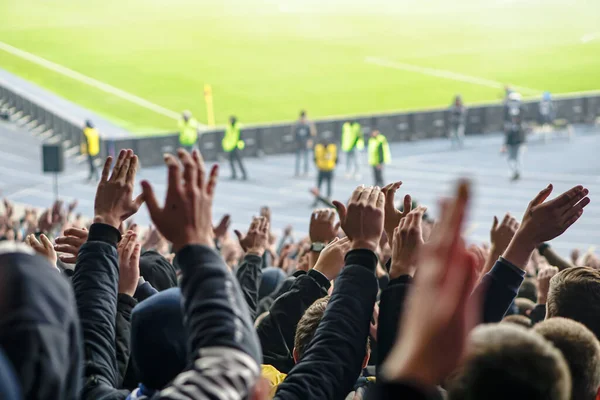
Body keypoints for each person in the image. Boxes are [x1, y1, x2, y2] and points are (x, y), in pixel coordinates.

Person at [312, 139, 337, 207]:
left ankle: (328, 198)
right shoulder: (318, 149)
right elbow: (315, 158)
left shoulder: (332, 148)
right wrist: (318, 165)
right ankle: (316, 199)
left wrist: (333, 165)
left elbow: (335, 158)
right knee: (319, 185)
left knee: (328, 185)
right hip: (321, 169)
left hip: (329, 169)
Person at [222, 115, 247, 180]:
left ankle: (244, 174)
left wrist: (240, 146)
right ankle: (234, 174)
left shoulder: (238, 127)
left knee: (239, 161)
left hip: (236, 146)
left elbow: (241, 137)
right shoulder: (228, 128)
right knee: (231, 161)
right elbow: (227, 137)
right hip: (230, 146)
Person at [292, 110, 316, 177]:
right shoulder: (297, 124)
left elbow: (312, 134)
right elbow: (294, 134)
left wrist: (310, 141)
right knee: (298, 158)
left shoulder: (308, 125)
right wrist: (295, 142)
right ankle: (297, 172)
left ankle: (306, 171)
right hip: (299, 144)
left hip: (305, 144)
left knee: (306, 159)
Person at [504, 114, 526, 181]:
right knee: (510, 160)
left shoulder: (520, 127)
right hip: (511, 145)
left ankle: (518, 173)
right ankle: (514, 172)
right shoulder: (510, 127)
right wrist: (505, 145)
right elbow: (507, 137)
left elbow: (522, 136)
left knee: (518, 159)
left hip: (518, 145)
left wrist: (523, 144)